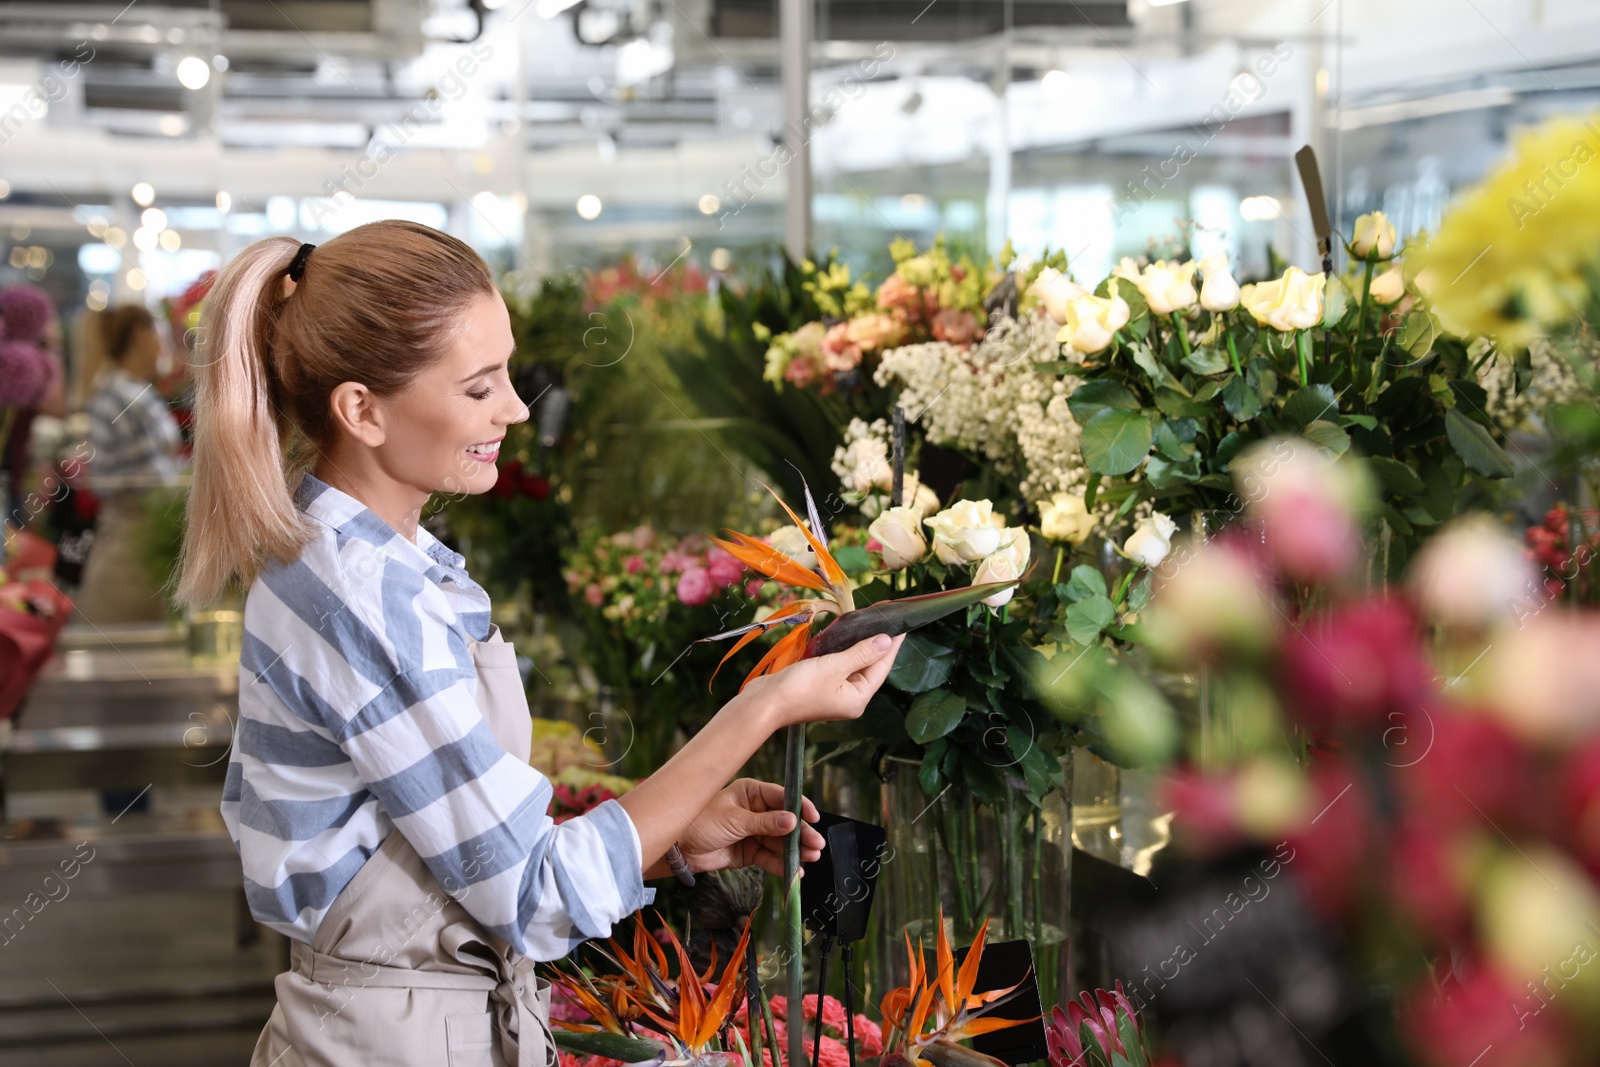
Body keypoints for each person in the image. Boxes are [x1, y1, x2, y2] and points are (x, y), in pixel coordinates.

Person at [173, 220, 905, 1067]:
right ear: (362, 410)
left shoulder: (378, 564)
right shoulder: (366, 598)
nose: (517, 409)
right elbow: (532, 894)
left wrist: (672, 841)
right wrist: (767, 704)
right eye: (480, 388)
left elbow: (462, 853)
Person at [77, 304, 185, 623]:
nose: (166, 343)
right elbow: (151, 484)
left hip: (136, 550)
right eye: (161, 331)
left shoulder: (126, 392)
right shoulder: (123, 397)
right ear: (142, 335)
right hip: (130, 557)